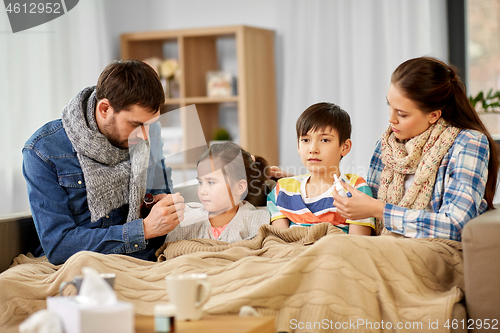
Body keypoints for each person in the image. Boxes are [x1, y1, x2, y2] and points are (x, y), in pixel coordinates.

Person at [22, 60, 185, 265]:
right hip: (84, 267)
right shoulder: (43, 151)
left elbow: (161, 199)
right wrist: (142, 230)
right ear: (105, 108)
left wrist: (163, 207)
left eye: (150, 125)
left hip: (146, 261)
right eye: (136, 125)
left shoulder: (150, 132)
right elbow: (59, 246)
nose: (145, 136)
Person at [332, 56, 499, 240]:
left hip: (435, 250)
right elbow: (368, 219)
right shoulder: (386, 146)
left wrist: (379, 210)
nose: (391, 119)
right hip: (382, 244)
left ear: (433, 115)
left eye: (402, 114)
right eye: (390, 105)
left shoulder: (469, 143)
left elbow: (455, 226)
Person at [267, 102, 375, 235]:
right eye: (306, 140)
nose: (313, 149)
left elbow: (358, 245)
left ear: (345, 147)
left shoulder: (356, 189)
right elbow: (278, 244)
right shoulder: (282, 190)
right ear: (298, 146)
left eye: (325, 140)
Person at [165, 142, 270, 243]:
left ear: (239, 187)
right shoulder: (186, 222)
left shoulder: (258, 222)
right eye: (200, 182)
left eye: (211, 182)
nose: (202, 191)